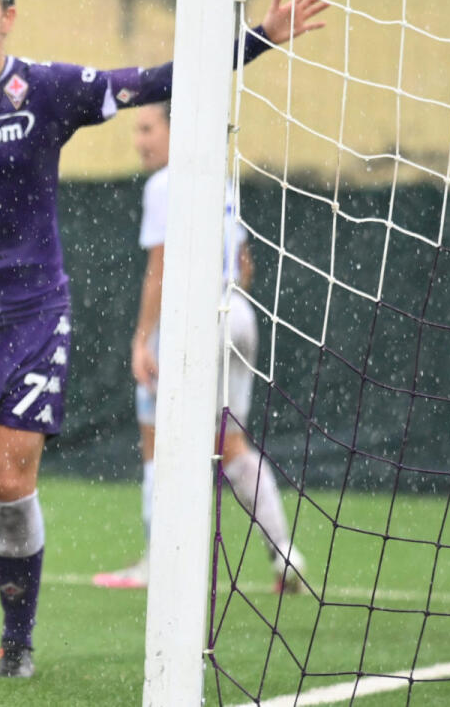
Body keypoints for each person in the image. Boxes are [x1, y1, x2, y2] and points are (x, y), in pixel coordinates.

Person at [0, 0, 329, 679]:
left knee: (12, 484)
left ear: (9, 17)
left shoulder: (48, 89)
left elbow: (158, 81)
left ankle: (20, 636)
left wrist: (258, 36)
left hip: (33, 317)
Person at [91, 101, 308, 592]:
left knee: (156, 444)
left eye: (148, 129)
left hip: (193, 322)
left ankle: (156, 563)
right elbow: (245, 262)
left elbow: (160, 268)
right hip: (237, 315)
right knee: (231, 444)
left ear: (176, 130)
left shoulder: (166, 184)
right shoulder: (220, 180)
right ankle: (284, 554)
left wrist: (143, 337)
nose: (140, 140)